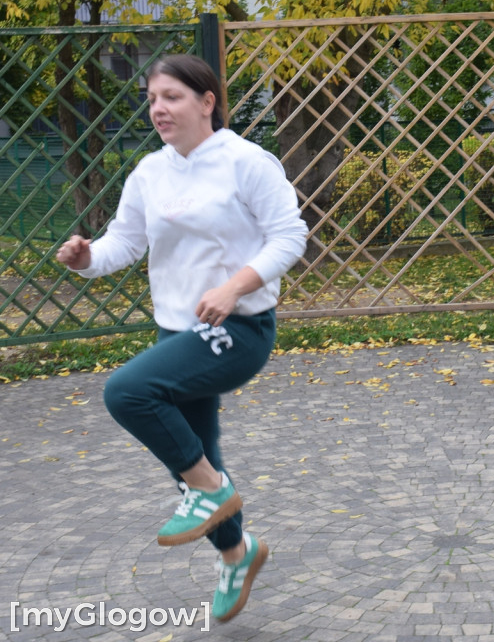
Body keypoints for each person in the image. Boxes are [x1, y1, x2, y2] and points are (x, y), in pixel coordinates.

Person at [55, 55, 308, 620]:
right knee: (193, 455)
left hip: (236, 328)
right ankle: (239, 553)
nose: (158, 109)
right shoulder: (150, 171)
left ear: (206, 101)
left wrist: (234, 287)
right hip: (179, 330)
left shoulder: (247, 162)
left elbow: (290, 236)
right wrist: (87, 258)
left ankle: (214, 492)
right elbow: (126, 242)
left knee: (128, 393)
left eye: (170, 96)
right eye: (151, 99)